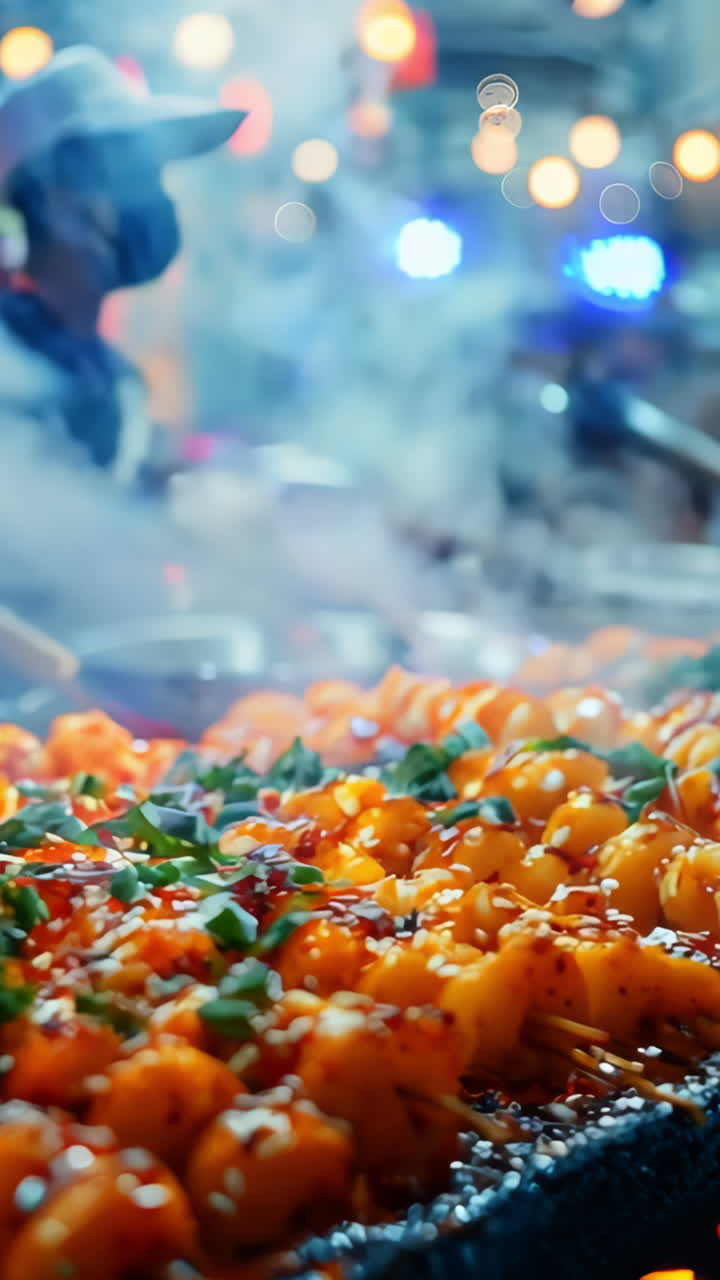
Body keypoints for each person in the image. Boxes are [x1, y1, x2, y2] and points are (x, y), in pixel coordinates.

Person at [0, 45, 245, 484]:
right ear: (57, 201)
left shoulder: (110, 380)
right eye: (129, 174)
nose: (151, 197)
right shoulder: (12, 369)